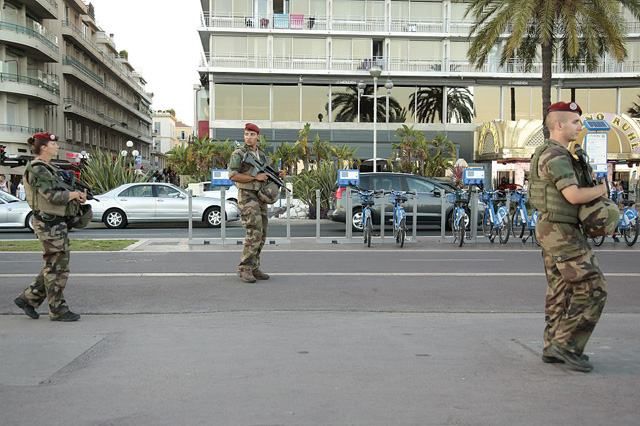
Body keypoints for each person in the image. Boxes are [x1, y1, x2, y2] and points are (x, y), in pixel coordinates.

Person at [529, 101, 617, 372]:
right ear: (558, 125)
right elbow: (574, 195)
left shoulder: (553, 153)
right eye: (575, 122)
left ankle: (552, 346)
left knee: (561, 289)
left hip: (553, 229)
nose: (580, 126)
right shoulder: (555, 156)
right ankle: (566, 345)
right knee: (593, 287)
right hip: (561, 232)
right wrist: (602, 189)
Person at [14, 132, 88, 322]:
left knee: (54, 264)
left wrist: (76, 196)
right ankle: (57, 309)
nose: (57, 146)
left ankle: (28, 299)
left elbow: (59, 192)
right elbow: (52, 196)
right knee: (57, 268)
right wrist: (74, 194)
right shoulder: (38, 169)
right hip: (48, 223)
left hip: (55, 223)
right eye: (53, 144)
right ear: (44, 147)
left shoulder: (48, 168)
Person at [228, 123, 281, 283]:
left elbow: (266, 173)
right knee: (253, 232)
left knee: (262, 233)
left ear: (258, 136)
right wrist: (254, 177)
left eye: (252, 134)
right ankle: (245, 268)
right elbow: (233, 175)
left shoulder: (262, 155)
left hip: (260, 196)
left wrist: (277, 175)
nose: (249, 137)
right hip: (247, 196)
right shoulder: (239, 153)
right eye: (246, 134)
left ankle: (254, 267)